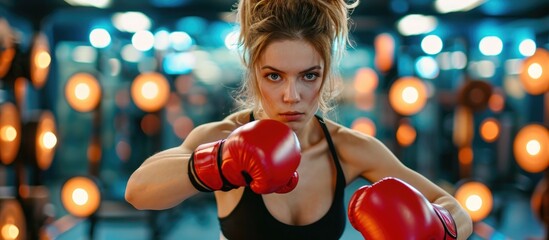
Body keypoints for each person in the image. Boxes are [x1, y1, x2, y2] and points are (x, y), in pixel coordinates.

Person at [125, 0, 474, 239]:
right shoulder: (225, 136)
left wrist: (438, 226)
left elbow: (457, 210)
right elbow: (138, 192)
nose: (292, 95)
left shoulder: (350, 148)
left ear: (325, 75)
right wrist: (219, 163)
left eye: (308, 76)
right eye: (274, 76)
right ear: (253, 74)